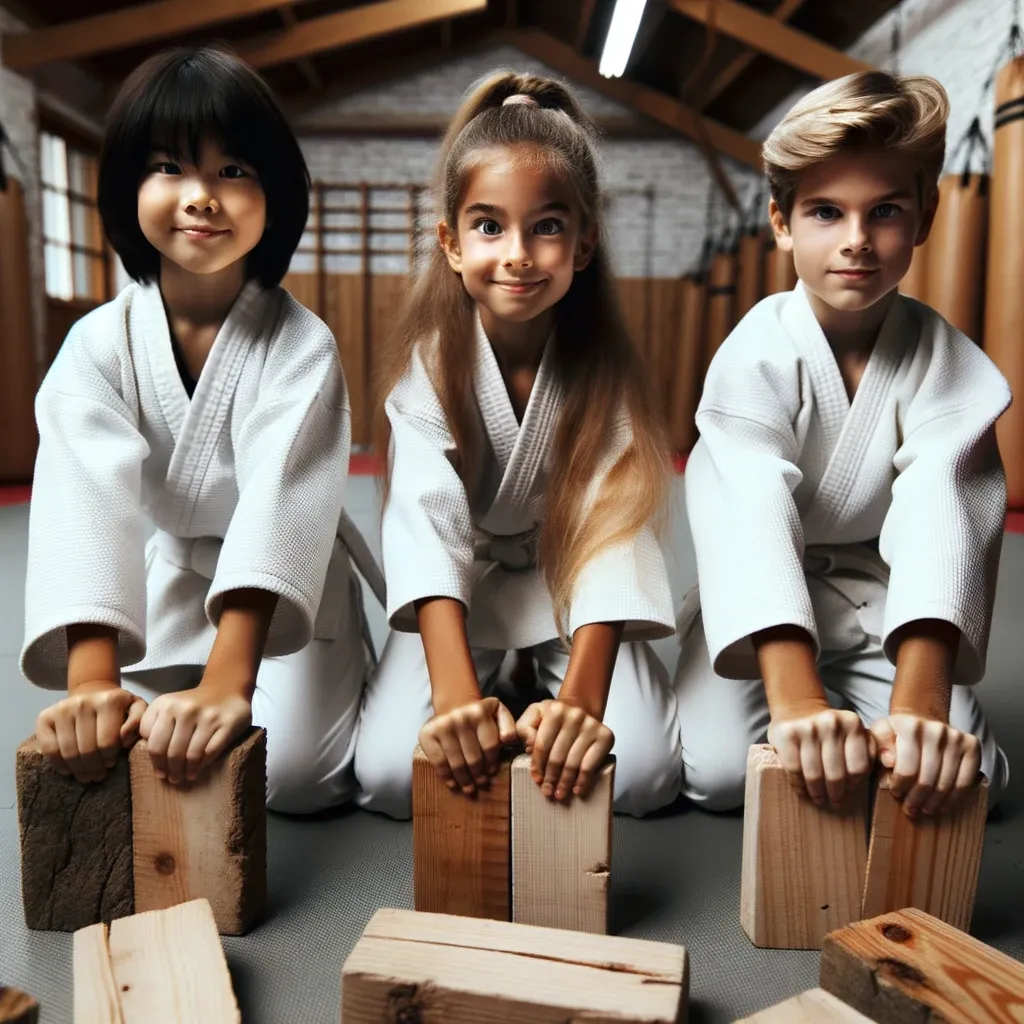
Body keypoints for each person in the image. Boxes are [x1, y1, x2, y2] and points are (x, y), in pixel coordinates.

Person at [22, 45, 381, 815]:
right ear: (127, 186)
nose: (201, 198)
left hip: (286, 589)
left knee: (294, 782)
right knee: (133, 745)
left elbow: (281, 503)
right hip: (175, 581)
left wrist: (228, 683)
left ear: (275, 194)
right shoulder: (98, 344)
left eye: (233, 172)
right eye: (169, 168)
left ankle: (349, 667)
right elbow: (84, 508)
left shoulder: (300, 344)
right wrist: (92, 685)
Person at [674, 70, 1010, 817]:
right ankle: (806, 695)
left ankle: (893, 711)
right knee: (722, 774)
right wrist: (795, 701)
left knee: (965, 772)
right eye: (827, 212)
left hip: (887, 598)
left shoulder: (945, 360)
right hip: (760, 602)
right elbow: (749, 512)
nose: (857, 241)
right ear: (782, 222)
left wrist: (923, 710)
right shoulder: (756, 353)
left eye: (884, 212)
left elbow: (945, 514)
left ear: (924, 218)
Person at [354, 71, 681, 819]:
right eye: (489, 226)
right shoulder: (431, 364)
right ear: (451, 243)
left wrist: (582, 703)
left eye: (548, 225)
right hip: (458, 588)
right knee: (389, 777)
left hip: (571, 585)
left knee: (643, 777)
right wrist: (456, 698)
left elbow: (611, 536)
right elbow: (427, 523)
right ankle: (496, 686)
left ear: (586, 240)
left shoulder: (603, 370)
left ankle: (543, 690)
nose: (519, 254)